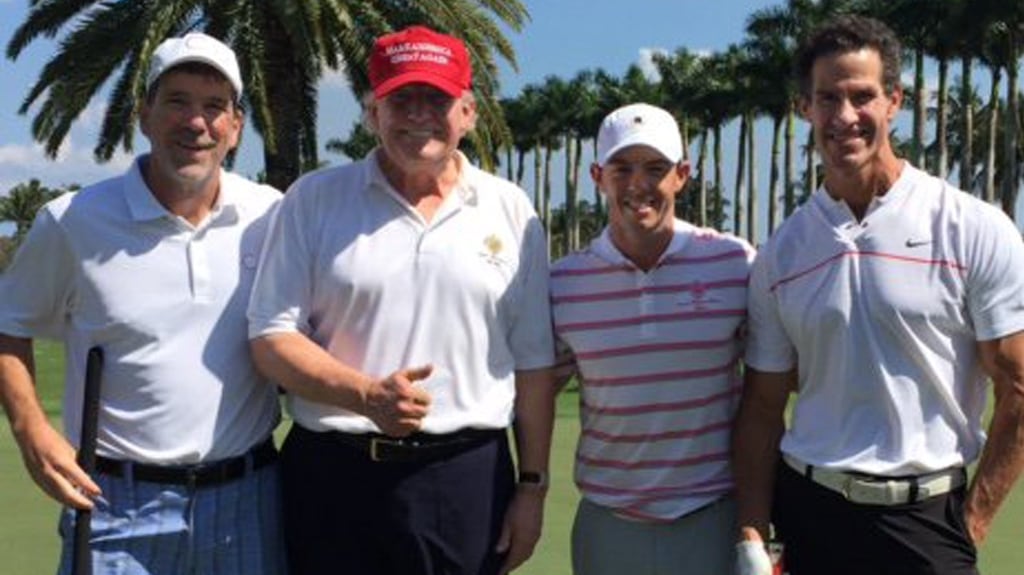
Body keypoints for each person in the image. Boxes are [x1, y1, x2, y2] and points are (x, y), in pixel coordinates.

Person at [247, 24, 557, 575]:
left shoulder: (511, 209)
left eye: (436, 99)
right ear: (371, 113)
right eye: (401, 99)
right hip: (332, 477)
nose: (418, 115)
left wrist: (532, 488)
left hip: (466, 477)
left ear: (468, 112)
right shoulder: (314, 199)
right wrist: (366, 395)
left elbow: (533, 362)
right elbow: (271, 338)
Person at [732, 14, 1024, 575]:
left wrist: (972, 523)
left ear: (894, 101)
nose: (845, 117)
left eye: (862, 97)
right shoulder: (781, 253)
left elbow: (1018, 385)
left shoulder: (970, 227)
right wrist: (751, 532)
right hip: (811, 516)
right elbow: (763, 407)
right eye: (827, 98)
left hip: (929, 520)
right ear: (805, 109)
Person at [0, 32, 287, 574]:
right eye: (176, 100)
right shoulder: (72, 221)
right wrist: (31, 429)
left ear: (235, 128)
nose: (195, 122)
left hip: (248, 499)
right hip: (115, 504)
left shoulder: (271, 216)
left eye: (214, 106)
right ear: (144, 115)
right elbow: (8, 324)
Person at [549, 103, 755, 575]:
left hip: (713, 515)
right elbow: (535, 395)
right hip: (608, 521)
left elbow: (769, 388)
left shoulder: (733, 262)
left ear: (682, 175)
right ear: (598, 176)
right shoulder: (562, 282)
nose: (638, 184)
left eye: (656, 168)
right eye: (622, 168)